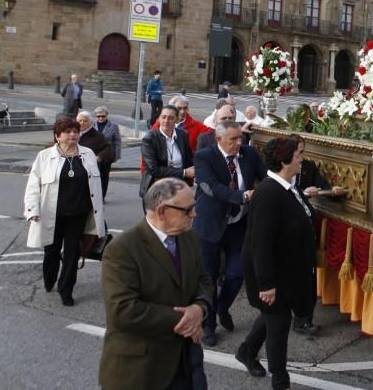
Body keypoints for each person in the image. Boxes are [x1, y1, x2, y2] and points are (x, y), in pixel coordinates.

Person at [99, 178, 212, 390]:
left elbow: (203, 279)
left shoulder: (190, 237)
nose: (194, 215)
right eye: (187, 210)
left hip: (187, 362)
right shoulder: (123, 249)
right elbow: (122, 311)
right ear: (161, 212)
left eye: (193, 208)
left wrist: (200, 308)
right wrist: (186, 318)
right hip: (142, 370)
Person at [237, 137, 319, 388]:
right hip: (271, 275)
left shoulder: (289, 187)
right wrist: (266, 284)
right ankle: (281, 381)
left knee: (273, 316)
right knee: (279, 325)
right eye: (298, 155)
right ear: (284, 161)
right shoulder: (268, 193)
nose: (302, 159)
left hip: (287, 271)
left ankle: (247, 350)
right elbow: (260, 244)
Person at [194, 120, 266, 347]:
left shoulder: (249, 154)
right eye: (232, 140)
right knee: (209, 278)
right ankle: (208, 326)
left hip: (238, 225)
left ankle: (222, 307)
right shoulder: (204, 157)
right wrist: (242, 196)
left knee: (237, 272)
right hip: (210, 225)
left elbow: (267, 177)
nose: (238, 143)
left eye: (240, 139)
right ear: (219, 140)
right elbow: (211, 187)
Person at [24, 117, 106, 306]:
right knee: (51, 251)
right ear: (57, 136)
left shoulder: (88, 154)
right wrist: (32, 210)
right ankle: (49, 277)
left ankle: (66, 289)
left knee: (72, 253)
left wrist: (98, 213)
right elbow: (33, 185)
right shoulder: (45, 156)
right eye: (68, 132)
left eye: (75, 131)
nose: (73, 135)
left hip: (78, 214)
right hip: (52, 213)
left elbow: (96, 187)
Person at [292, 134, 347, 337]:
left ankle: (304, 319)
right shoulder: (280, 171)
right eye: (297, 154)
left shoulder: (308, 166)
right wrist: (303, 192)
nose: (301, 158)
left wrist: (334, 191)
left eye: (302, 152)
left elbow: (322, 187)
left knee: (308, 278)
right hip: (289, 230)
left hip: (306, 229)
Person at [141, 105, 195, 201]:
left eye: (171, 118)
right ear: (159, 118)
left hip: (179, 186)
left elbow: (189, 160)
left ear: (176, 120)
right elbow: (153, 169)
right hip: (158, 187)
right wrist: (184, 172)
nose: (166, 121)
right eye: (164, 117)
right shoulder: (149, 139)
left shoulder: (183, 135)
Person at [76, 111, 115, 201]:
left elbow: (107, 148)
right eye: (80, 120)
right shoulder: (74, 132)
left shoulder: (97, 135)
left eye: (85, 121)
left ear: (90, 122)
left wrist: (99, 157)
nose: (82, 123)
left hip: (90, 166)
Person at [93, 106, 122, 198]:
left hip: (107, 155)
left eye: (103, 116)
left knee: (104, 177)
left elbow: (117, 141)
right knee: (94, 177)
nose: (100, 118)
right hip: (94, 155)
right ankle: (94, 196)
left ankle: (102, 196)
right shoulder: (91, 125)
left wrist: (117, 155)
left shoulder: (113, 126)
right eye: (98, 116)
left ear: (106, 115)